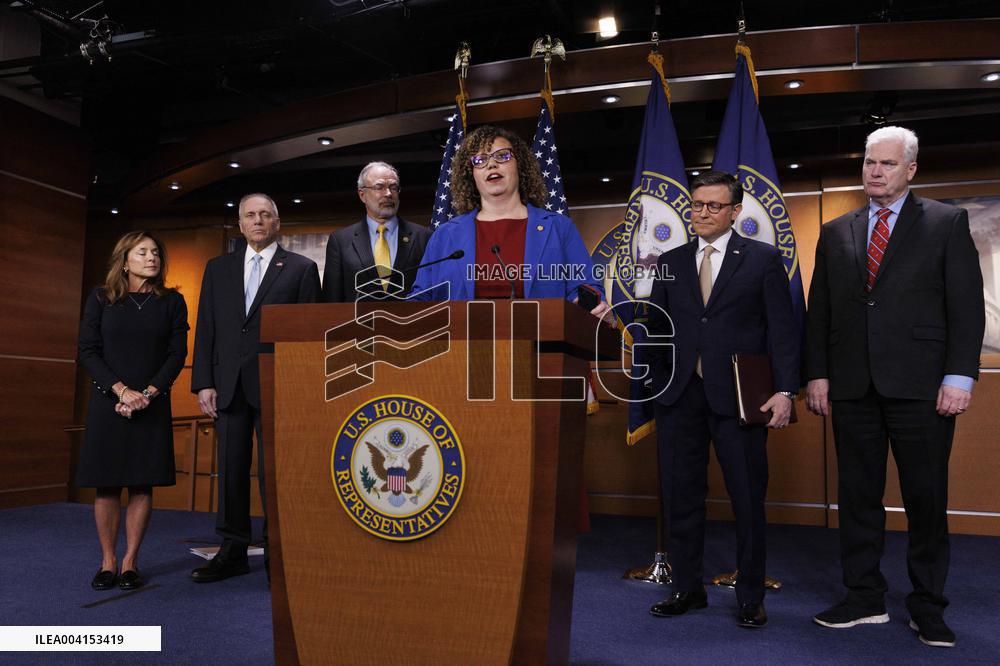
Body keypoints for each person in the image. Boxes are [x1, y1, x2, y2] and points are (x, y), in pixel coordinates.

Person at [805, 126, 984, 647]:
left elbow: (966, 306)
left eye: (885, 163)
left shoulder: (946, 222)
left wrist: (959, 376)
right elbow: (821, 312)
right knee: (857, 496)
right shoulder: (837, 230)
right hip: (852, 386)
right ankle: (863, 598)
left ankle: (927, 605)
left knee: (926, 499)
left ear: (911, 169)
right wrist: (817, 373)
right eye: (868, 162)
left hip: (923, 388)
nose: (874, 171)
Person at [645, 170, 799, 628]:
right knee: (681, 497)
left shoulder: (764, 259)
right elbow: (657, 329)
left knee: (748, 499)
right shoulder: (670, 261)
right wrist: (657, 383)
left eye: (713, 206)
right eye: (696, 205)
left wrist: (785, 391)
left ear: (735, 211)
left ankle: (750, 596)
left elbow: (783, 332)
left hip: (739, 399)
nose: (702, 213)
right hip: (680, 398)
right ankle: (686, 589)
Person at [191, 193, 321, 583]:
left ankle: (277, 557)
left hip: (278, 385)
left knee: (275, 475)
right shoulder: (218, 269)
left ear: (277, 223)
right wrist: (204, 383)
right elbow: (207, 328)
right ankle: (231, 552)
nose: (258, 221)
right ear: (241, 223)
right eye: (250, 215)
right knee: (230, 472)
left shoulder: (300, 269)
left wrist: (302, 386)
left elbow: (309, 335)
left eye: (266, 215)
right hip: (227, 386)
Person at [77, 231, 189, 591]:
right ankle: (107, 561)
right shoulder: (100, 298)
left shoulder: (172, 302)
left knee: (142, 484)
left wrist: (147, 394)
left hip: (151, 404)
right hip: (109, 402)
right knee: (107, 486)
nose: (151, 258)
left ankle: (130, 563)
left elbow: (177, 354)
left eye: (156, 252)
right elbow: (88, 350)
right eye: (142, 252)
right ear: (124, 261)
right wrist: (123, 392)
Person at [411, 124, 609, 317]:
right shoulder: (445, 235)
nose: (491, 164)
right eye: (480, 160)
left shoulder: (558, 227)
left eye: (502, 156)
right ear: (471, 174)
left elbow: (585, 288)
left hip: (543, 345)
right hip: (461, 346)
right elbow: (421, 299)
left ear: (520, 165)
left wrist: (588, 308)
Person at [321, 162, 431, 301]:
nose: (388, 193)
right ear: (362, 195)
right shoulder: (341, 241)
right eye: (379, 187)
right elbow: (331, 300)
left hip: (410, 321)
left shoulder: (424, 237)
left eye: (394, 187)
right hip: (359, 322)